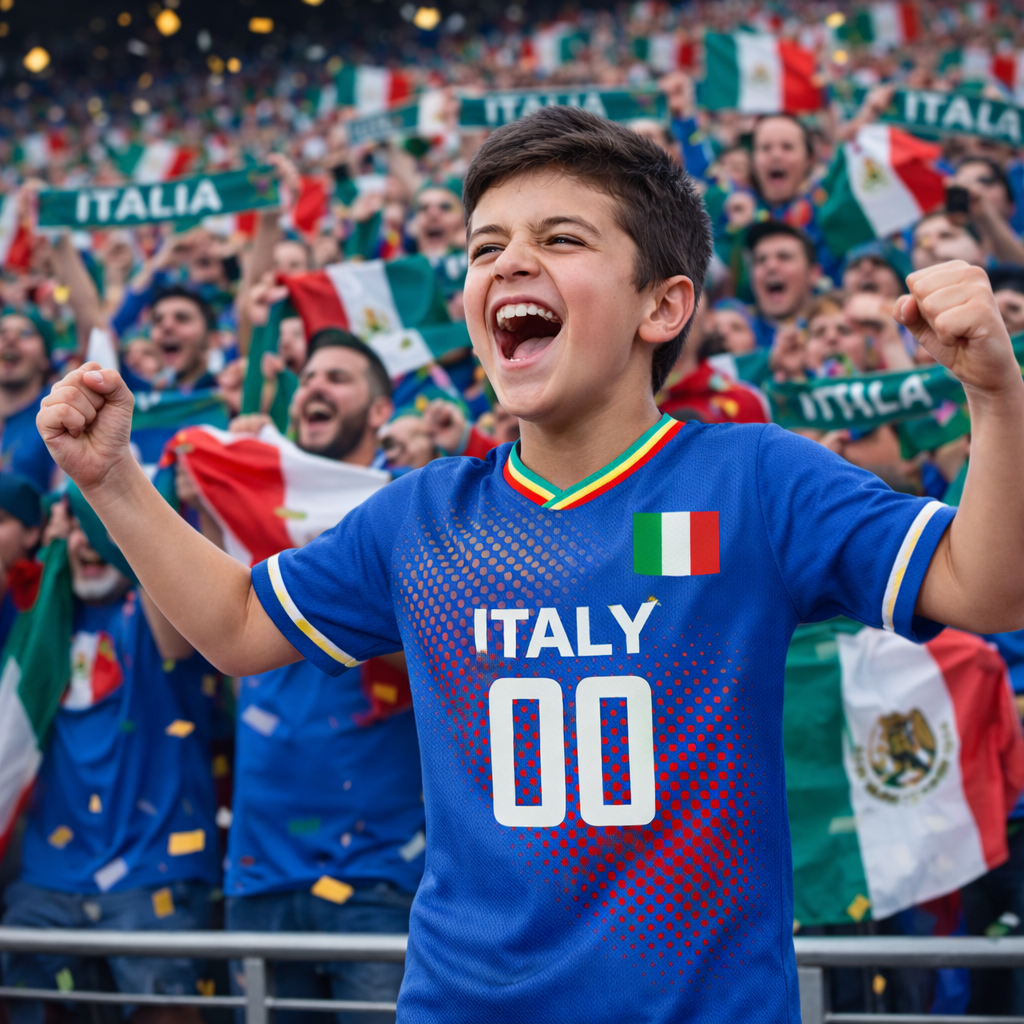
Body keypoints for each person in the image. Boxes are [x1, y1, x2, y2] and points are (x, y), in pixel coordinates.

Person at [36, 107, 1024, 1022]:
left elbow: (989, 586)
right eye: (484, 247)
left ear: (663, 305)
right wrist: (113, 478)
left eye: (560, 239)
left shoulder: (756, 479)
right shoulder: (421, 514)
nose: (509, 262)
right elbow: (237, 627)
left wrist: (994, 396)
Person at [179, 331, 424, 1024]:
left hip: (380, 869)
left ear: (380, 411)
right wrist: (201, 503)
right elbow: (185, 640)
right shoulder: (253, 506)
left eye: (339, 378)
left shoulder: (409, 508)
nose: (315, 385)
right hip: (260, 866)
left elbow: (445, 662)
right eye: (309, 375)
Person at [1, 501, 220, 1024]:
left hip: (153, 870)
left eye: (96, 527)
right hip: (47, 878)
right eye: (73, 527)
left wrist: (120, 514)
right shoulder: (39, 623)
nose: (87, 542)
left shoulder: (163, 614)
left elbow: (196, 604)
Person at [0, 310, 58, 493]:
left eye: (25, 333)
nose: (9, 338)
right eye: (1, 332)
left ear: (45, 359)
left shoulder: (56, 417)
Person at [748, 221, 820, 347]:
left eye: (784, 257)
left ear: (813, 274)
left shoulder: (838, 331)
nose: (770, 266)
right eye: (760, 260)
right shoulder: (734, 334)